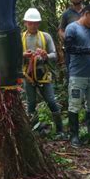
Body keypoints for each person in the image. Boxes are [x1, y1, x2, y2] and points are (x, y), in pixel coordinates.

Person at [64, 4, 90, 147]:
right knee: (74, 105)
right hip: (77, 74)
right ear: (86, 14)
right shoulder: (72, 28)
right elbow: (69, 48)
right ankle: (74, 136)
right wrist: (89, 51)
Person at [21, 8, 64, 136]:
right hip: (28, 76)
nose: (33, 25)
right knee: (31, 103)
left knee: (51, 100)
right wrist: (23, 55)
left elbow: (54, 55)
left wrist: (45, 56)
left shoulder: (45, 37)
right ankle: (35, 130)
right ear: (25, 23)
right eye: (30, 23)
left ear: (39, 23)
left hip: (43, 74)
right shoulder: (20, 38)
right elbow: (15, 57)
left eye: (35, 23)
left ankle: (60, 130)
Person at [58, 0, 84, 78]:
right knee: (72, 71)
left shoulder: (87, 11)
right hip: (71, 48)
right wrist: (66, 38)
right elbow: (61, 30)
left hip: (86, 46)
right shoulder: (66, 14)